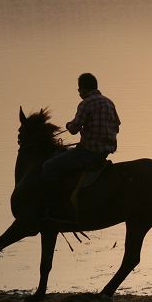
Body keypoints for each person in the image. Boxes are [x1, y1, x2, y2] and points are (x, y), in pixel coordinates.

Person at [41, 72, 121, 219]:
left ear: (83, 89)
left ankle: (53, 209)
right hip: (104, 153)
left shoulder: (86, 103)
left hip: (88, 152)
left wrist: (68, 125)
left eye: (79, 90)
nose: (79, 93)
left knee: (49, 166)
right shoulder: (109, 102)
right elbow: (117, 125)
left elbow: (73, 129)